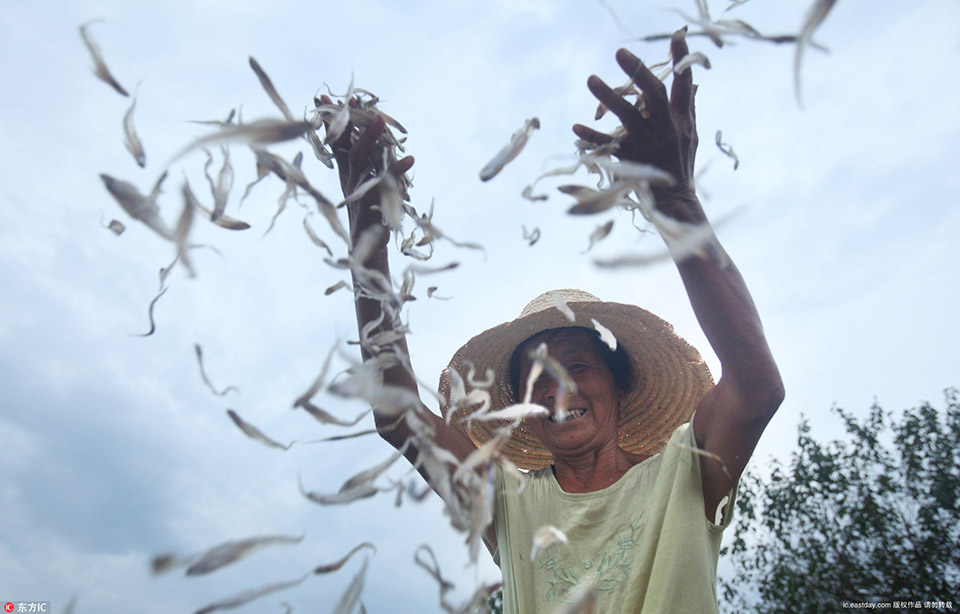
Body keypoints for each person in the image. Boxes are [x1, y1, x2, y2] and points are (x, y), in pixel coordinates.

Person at [326, 27, 784, 614]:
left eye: (578, 364)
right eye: (536, 378)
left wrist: (676, 204)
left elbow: (757, 385)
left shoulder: (686, 472)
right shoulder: (508, 504)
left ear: (619, 384)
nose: (556, 388)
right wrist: (368, 234)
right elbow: (397, 414)